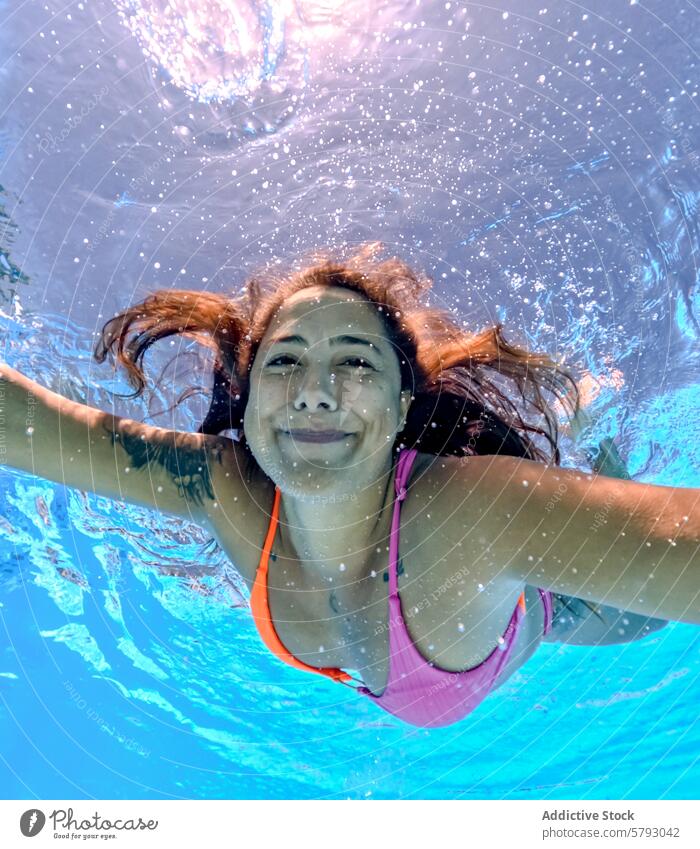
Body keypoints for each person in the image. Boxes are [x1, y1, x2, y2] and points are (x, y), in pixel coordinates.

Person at [0, 243, 695, 728]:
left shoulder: (472, 511)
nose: (314, 392)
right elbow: (24, 420)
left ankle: (593, 429)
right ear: (247, 400)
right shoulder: (224, 489)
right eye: (286, 360)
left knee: (634, 603)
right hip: (422, 643)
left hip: (568, 607)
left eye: (356, 361)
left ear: (400, 407)